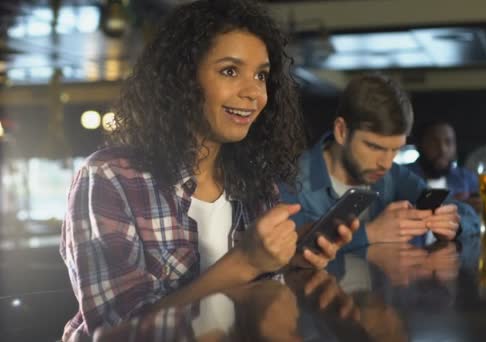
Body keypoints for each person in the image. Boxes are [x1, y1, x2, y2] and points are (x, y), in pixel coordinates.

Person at [60, 1, 358, 340]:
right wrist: (246, 262)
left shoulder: (254, 181)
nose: (253, 93)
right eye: (230, 71)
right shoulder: (110, 178)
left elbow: (250, 303)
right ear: (182, 79)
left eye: (261, 75)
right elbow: (119, 333)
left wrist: (286, 261)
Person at [280, 74, 479, 251]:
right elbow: (281, 258)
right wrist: (370, 234)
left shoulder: (393, 175)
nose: (385, 163)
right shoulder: (290, 180)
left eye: (395, 149)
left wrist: (453, 224)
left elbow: (469, 216)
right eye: (375, 147)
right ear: (341, 131)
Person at [408, 120, 480, 211]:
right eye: (434, 142)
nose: (442, 149)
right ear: (420, 145)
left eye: (448, 142)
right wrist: (456, 204)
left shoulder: (466, 178)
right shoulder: (403, 176)